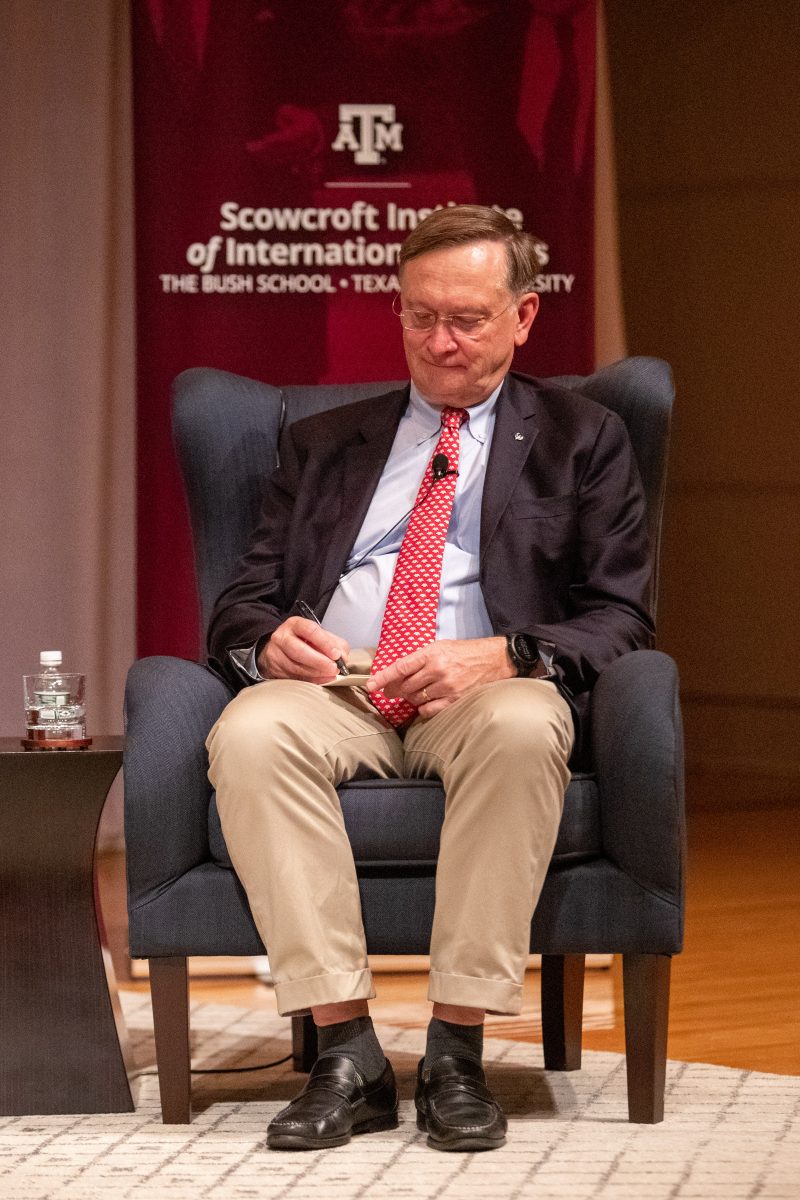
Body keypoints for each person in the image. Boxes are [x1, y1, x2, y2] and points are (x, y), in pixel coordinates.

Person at [205, 205, 654, 1152]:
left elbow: (622, 617)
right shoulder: (324, 440)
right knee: (248, 730)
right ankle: (346, 1052)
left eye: (468, 319)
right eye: (420, 317)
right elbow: (240, 601)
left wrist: (509, 655)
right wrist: (268, 643)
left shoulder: (586, 437)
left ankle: (457, 1046)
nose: (440, 341)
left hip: (491, 680)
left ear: (524, 317)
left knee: (527, 725)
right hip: (341, 683)